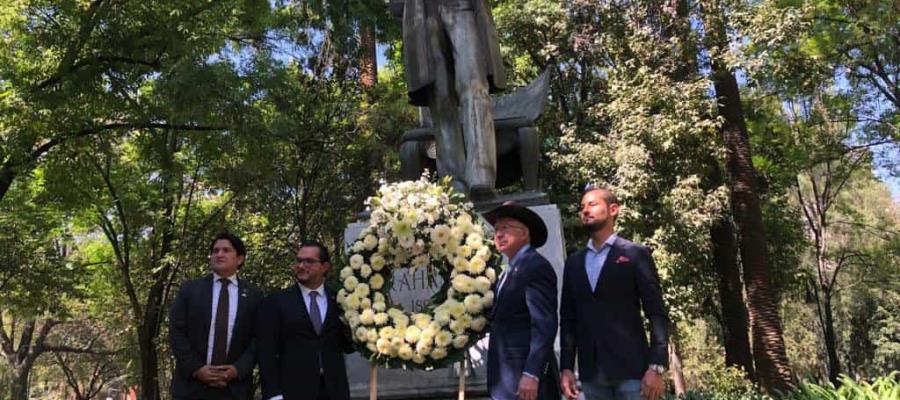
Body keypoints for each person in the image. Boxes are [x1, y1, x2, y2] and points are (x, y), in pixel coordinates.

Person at [559, 187, 670, 400]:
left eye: (592, 204)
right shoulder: (574, 262)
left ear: (613, 209)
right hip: (592, 376)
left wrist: (656, 367)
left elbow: (656, 312)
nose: (585, 210)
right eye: (582, 207)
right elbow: (568, 320)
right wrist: (566, 368)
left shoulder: (635, 254)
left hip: (633, 372)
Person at [392, 0, 506, 199]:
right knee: (440, 97)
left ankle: (481, 176)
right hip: (423, 11)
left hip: (463, 7)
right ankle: (455, 183)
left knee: (474, 84)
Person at [169, 232, 264, 400]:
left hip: (235, 389)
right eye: (215, 250)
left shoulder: (254, 295)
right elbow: (176, 332)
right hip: (191, 387)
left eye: (226, 250)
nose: (219, 254)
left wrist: (237, 370)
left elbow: (259, 339)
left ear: (240, 259)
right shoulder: (190, 290)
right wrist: (197, 369)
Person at [257, 241, 352, 400]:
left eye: (308, 261)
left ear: (325, 266)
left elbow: (347, 345)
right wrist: (273, 394)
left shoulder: (339, 300)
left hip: (334, 390)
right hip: (293, 391)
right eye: (299, 261)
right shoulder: (277, 301)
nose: (301, 266)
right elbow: (266, 351)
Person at [485, 202, 560, 400]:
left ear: (524, 233)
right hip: (505, 379)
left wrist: (532, 373)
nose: (498, 234)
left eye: (505, 228)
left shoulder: (535, 267)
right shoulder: (507, 271)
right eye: (496, 229)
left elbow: (544, 324)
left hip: (525, 381)